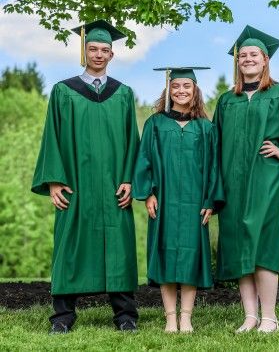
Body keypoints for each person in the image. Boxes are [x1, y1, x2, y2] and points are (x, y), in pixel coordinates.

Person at [31, 20, 140, 333]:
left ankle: (125, 316)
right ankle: (62, 318)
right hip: (75, 185)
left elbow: (133, 140)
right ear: (84, 51)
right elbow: (51, 137)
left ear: (112, 55)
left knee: (119, 244)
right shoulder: (63, 91)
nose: (99, 54)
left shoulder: (123, 94)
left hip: (113, 186)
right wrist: (53, 180)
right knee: (70, 244)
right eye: (93, 48)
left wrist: (130, 179)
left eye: (105, 50)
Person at [213, 25, 279, 333]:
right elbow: (215, 142)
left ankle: (270, 316)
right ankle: (250, 316)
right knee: (236, 245)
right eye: (242, 55)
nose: (247, 59)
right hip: (232, 182)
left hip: (266, 180)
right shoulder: (226, 101)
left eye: (253, 55)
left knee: (263, 243)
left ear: (265, 59)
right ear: (237, 62)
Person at [132, 67, 224, 333]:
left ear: (195, 91)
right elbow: (144, 160)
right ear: (168, 90)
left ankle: (186, 317)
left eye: (187, 86)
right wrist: (147, 192)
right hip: (165, 201)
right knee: (165, 255)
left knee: (191, 259)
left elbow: (214, 167)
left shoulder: (206, 128)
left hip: (196, 203)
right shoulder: (155, 124)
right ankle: (170, 317)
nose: (181, 91)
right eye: (176, 86)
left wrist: (210, 200)